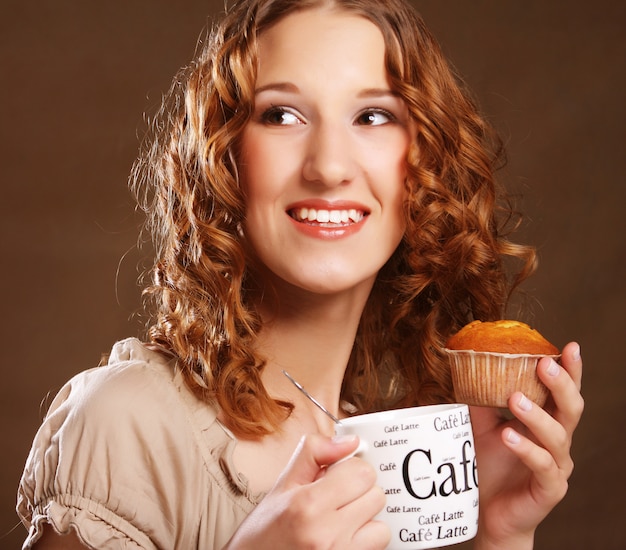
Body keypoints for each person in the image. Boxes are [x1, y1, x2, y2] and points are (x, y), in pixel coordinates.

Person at [17, 0, 584, 548]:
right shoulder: (128, 425)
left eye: (373, 115)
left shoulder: (391, 456)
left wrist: (500, 535)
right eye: (282, 115)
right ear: (225, 158)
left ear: (424, 163)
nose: (329, 166)